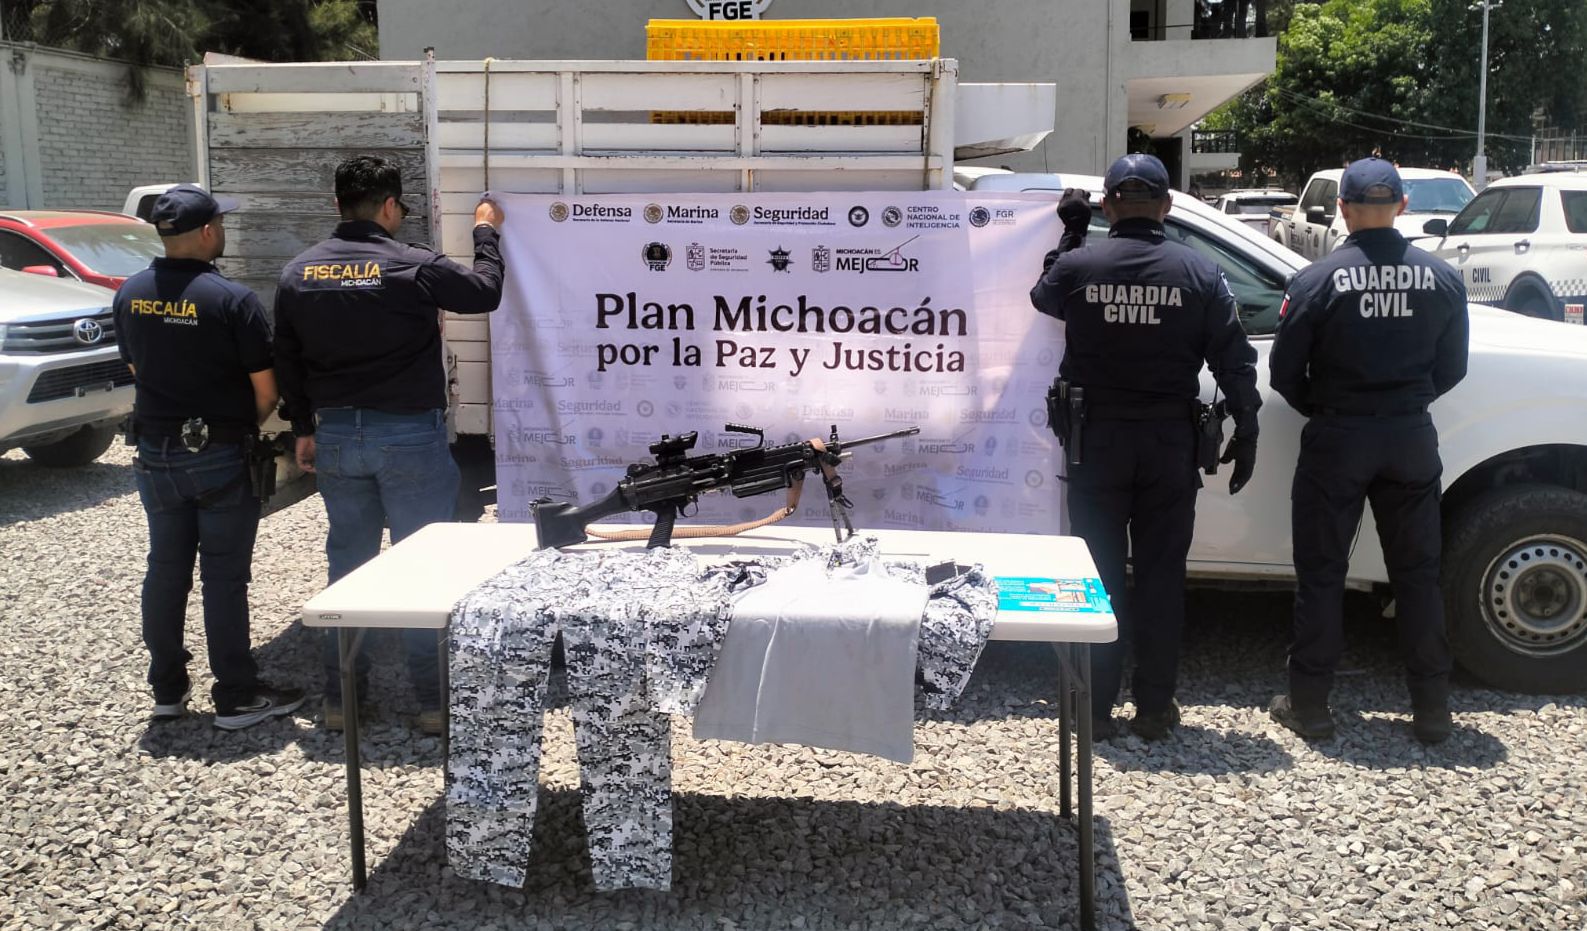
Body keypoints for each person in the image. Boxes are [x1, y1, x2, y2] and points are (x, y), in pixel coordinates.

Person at [1031, 153, 1261, 740]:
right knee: (1161, 577)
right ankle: (1156, 708)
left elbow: (1043, 296)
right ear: (1166, 206)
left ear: (1109, 205)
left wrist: (1072, 231)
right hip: (1168, 446)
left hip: (1096, 444)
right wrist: (1247, 426)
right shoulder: (1200, 272)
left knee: (1098, 577)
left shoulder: (1080, 265)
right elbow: (1233, 359)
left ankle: (1095, 710)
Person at [273, 155, 506, 735]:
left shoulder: (299, 273)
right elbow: (484, 292)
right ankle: (431, 704)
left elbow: (288, 359)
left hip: (335, 435)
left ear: (337, 205)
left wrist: (303, 427)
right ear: (389, 207)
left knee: (348, 566)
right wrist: (485, 231)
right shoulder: (410, 265)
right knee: (421, 565)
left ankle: (343, 700)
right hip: (407, 437)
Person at [1267, 157, 1469, 745]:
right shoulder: (1442, 278)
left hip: (1339, 438)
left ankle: (1310, 707)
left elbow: (1284, 373)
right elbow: (1452, 368)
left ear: (1343, 209)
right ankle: (1432, 711)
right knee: (1418, 577)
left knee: (1322, 573)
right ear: (1402, 206)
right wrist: (1404, 404)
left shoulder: (1317, 280)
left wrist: (1329, 408)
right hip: (1409, 438)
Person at [115, 185, 306, 730]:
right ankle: (237, 695)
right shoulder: (231, 300)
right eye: (220, 223)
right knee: (223, 578)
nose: (223, 230)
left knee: (165, 570)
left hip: (154, 452)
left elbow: (137, 369)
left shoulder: (129, 293)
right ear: (205, 232)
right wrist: (237, 427)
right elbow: (265, 391)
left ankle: (167, 692)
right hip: (218, 452)